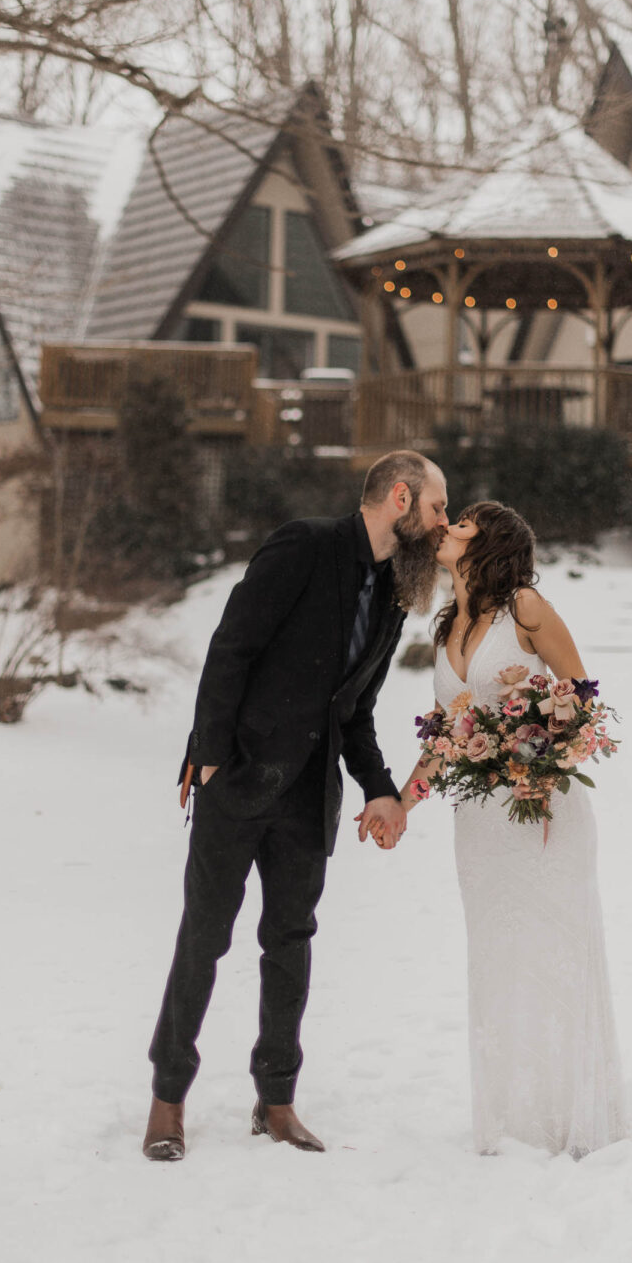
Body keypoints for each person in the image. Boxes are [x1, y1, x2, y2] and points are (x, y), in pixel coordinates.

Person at [142, 450, 449, 1162]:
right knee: (205, 938)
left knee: (290, 945)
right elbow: (232, 647)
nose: (443, 524)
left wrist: (378, 787)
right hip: (239, 780)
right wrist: (209, 753)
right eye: (436, 508)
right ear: (399, 498)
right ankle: (167, 1102)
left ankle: (276, 1102)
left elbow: (357, 710)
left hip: (310, 800)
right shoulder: (304, 545)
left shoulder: (395, 593)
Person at [391, 501, 625, 1157]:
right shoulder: (444, 629)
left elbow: (581, 699)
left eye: (461, 522)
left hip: (542, 808)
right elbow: (443, 738)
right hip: (481, 823)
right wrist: (402, 806)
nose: (447, 527)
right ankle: (516, 1120)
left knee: (554, 950)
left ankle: (570, 1118)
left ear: (487, 541)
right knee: (498, 955)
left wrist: (542, 763)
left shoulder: (526, 608)